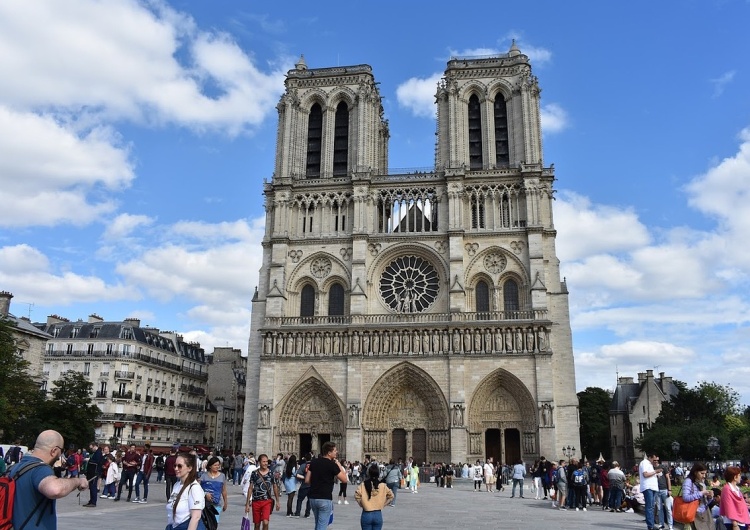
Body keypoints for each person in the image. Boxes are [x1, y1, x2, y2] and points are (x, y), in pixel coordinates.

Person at [9, 430, 90, 529]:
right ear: (54, 450)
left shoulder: (13, 468)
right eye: (61, 451)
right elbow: (55, 489)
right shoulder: (40, 469)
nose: (60, 456)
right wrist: (78, 481)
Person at [306, 441, 348, 530]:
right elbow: (344, 479)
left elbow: (307, 480)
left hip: (313, 498)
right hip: (324, 498)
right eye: (335, 450)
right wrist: (339, 464)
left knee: (318, 524)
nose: (337, 452)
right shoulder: (332, 464)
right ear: (329, 453)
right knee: (322, 526)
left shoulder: (314, 462)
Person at [166, 453, 206, 530]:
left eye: (180, 466)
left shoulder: (194, 488)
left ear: (189, 468)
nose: (176, 468)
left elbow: (196, 517)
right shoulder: (177, 485)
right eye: (175, 465)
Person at [354, 463, 394, 530]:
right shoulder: (382, 486)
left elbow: (356, 495)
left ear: (369, 473)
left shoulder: (363, 485)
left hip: (366, 513)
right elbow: (391, 496)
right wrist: (383, 504)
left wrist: (362, 504)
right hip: (378, 514)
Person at [245, 454, 280, 530]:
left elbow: (274, 486)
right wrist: (247, 504)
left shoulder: (271, 473)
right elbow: (250, 488)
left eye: (266, 461)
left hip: (267, 501)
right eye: (263, 461)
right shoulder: (254, 473)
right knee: (257, 525)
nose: (266, 463)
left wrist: (277, 501)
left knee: (265, 522)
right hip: (256, 501)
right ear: (259, 462)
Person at [680, 463, 714, 530]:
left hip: (705, 513)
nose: (704, 476)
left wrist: (710, 497)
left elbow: (705, 502)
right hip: (694, 514)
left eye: (705, 473)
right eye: (702, 473)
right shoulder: (688, 481)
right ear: (695, 472)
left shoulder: (702, 482)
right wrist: (701, 493)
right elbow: (685, 498)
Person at [200, 456, 228, 526]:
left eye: (218, 465)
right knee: (205, 524)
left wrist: (226, 502)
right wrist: (205, 494)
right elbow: (198, 489)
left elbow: (223, 490)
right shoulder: (203, 476)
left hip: (216, 504)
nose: (217, 467)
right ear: (210, 466)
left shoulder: (222, 476)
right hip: (204, 505)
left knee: (214, 524)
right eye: (215, 465)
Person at [639, 452, 662, 530]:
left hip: (652, 487)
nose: (655, 461)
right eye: (654, 459)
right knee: (649, 506)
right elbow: (645, 475)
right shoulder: (644, 463)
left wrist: (656, 475)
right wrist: (656, 471)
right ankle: (650, 525)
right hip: (648, 487)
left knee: (651, 506)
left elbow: (650, 474)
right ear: (650, 457)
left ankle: (651, 524)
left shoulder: (650, 464)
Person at [82, 441, 103, 507]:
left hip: (94, 472)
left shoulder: (98, 452)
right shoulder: (96, 452)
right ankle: (91, 500)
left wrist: (89, 460)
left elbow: (97, 462)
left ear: (94, 446)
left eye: (91, 448)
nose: (91, 449)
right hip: (92, 472)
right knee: (91, 487)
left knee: (93, 487)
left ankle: (93, 502)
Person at [655, 460, 673, 530]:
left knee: (668, 508)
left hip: (664, 489)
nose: (655, 462)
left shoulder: (663, 467)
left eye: (656, 460)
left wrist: (669, 489)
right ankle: (661, 524)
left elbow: (668, 478)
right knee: (659, 509)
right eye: (654, 460)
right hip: (656, 489)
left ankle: (670, 525)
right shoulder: (651, 468)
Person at [293, 454, 312, 518]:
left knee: (300, 500)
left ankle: (297, 513)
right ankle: (307, 514)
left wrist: (305, 478)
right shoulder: (315, 466)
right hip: (312, 486)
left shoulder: (303, 465)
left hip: (304, 485)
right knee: (309, 500)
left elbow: (298, 475)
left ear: (305, 459)